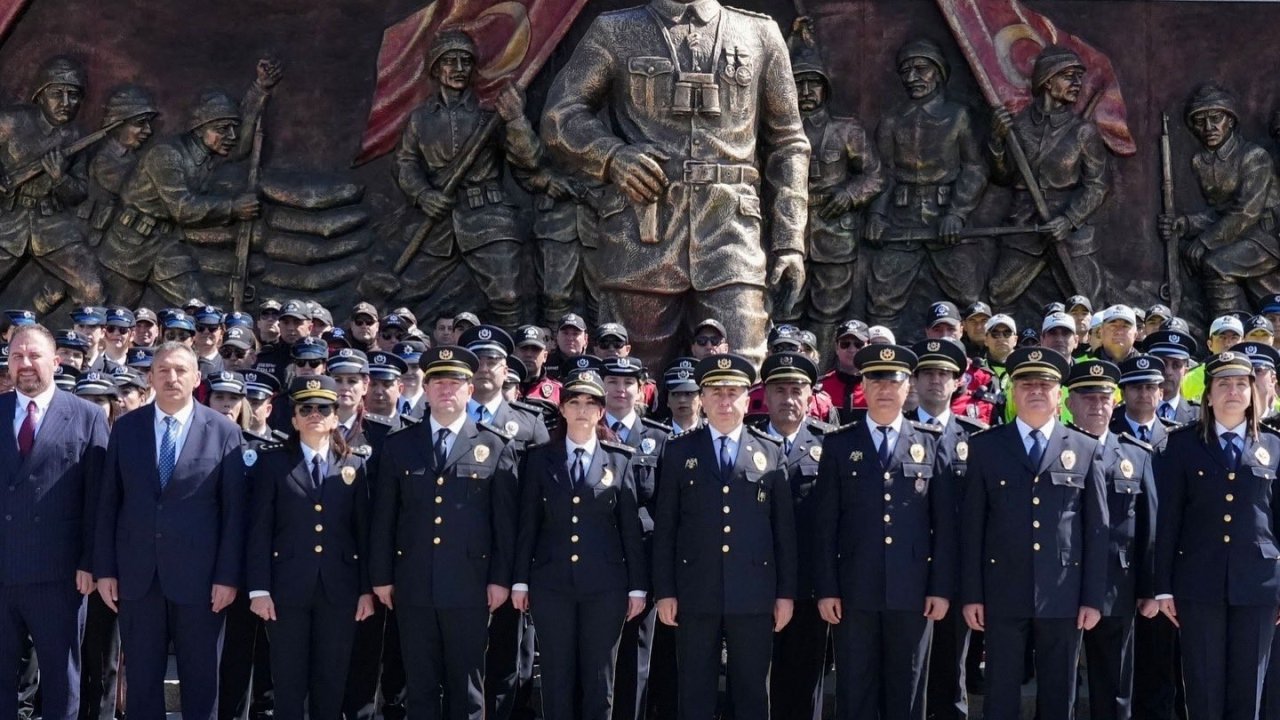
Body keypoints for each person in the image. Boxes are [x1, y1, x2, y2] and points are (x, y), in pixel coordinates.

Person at [542, 0, 810, 368]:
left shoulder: (759, 33)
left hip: (731, 236)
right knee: (627, 374)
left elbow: (788, 144)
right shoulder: (615, 30)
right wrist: (612, 156)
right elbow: (560, 116)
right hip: (642, 233)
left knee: (741, 370)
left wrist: (789, 242)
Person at [94, 341, 247, 720]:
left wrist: (228, 576)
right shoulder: (127, 428)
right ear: (150, 377)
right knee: (143, 683)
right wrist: (105, 569)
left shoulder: (223, 431)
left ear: (197, 378)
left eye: (180, 370)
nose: (171, 377)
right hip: (137, 578)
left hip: (202, 584)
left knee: (201, 684)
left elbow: (234, 514)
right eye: (162, 370)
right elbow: (109, 504)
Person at [369, 345, 519, 720]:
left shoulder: (494, 445)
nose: (446, 389)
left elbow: (504, 524)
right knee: (420, 687)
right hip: (413, 584)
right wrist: (382, 576)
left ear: (470, 390)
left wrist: (501, 579)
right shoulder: (399, 445)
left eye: (456, 382)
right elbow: (385, 518)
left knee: (467, 689)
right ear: (425, 387)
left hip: (470, 586)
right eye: (438, 382)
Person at [960, 346, 1109, 720]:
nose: (1037, 391)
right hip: (1002, 589)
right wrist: (973, 594)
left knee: (1060, 695)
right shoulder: (986, 447)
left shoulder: (1085, 448)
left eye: (1046, 384)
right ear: (1013, 390)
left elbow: (1096, 528)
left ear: (1059, 393)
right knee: (1000, 693)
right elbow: (973, 528)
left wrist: (1092, 597)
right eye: (1027, 383)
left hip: (1063, 591)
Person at [814, 344, 955, 720]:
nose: (885, 388)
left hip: (913, 593)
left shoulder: (930, 442)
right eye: (875, 379)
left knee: (907, 693)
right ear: (863, 384)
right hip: (855, 591)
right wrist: (827, 588)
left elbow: (943, 526)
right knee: (855, 691)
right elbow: (826, 525)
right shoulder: (839, 444)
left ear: (908, 385)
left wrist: (940, 588)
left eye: (893, 380)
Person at [653, 353, 797, 720]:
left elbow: (783, 532)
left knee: (751, 692)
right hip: (695, 591)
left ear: (748, 399)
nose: (724, 401)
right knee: (695, 691)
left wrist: (785, 594)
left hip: (754, 593)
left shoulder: (769, 451)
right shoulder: (679, 450)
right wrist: (666, 591)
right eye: (716, 392)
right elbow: (666, 527)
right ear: (701, 398)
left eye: (733, 392)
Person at [511, 369, 647, 720]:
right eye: (575, 402)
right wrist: (521, 580)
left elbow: (629, 530)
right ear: (563, 409)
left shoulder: (619, 460)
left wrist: (637, 588)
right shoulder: (541, 458)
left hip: (605, 587)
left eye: (591, 403)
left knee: (600, 679)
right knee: (556, 676)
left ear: (602, 411)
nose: (583, 409)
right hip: (551, 584)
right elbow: (529, 524)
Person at [1154, 350, 1280, 720]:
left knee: (1248, 689)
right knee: (1204, 686)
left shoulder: (1274, 446)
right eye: (1223, 383)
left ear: (1253, 393)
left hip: (1259, 585)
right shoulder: (1181, 446)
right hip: (1198, 583)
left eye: (1242, 383)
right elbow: (1168, 522)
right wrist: (1163, 586)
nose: (1233, 391)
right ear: (1208, 394)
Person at [98, 59, 281, 306]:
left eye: (233, 128)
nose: (231, 136)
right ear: (200, 128)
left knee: (199, 309)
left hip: (164, 246)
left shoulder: (208, 154)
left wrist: (259, 89)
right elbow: (182, 208)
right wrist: (233, 207)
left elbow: (241, 147)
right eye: (222, 129)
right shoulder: (166, 155)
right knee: (113, 318)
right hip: (128, 246)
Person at [247, 375, 376, 720]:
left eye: (323, 408)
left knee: (331, 682)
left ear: (336, 417)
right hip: (285, 590)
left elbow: (363, 534)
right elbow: (259, 530)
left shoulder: (355, 464)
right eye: (306, 408)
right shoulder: (271, 463)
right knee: (288, 683)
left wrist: (366, 590)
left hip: (340, 589)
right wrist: (259, 588)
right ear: (293, 418)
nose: (314, 414)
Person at [392, 29, 538, 329]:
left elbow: (529, 160)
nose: (459, 69)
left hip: (489, 217)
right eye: (450, 61)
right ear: (435, 68)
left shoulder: (489, 116)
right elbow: (405, 163)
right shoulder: (420, 119)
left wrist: (516, 120)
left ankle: (512, 364)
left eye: (465, 62)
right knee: (407, 295)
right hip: (440, 223)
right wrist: (422, 195)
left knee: (508, 297)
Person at [0, 325, 108, 720]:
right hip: (1, 573)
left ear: (56, 361)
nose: (25, 364)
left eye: (34, 356)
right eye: (16, 357)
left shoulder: (87, 416)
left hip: (60, 576)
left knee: (62, 681)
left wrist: (91, 561)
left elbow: (99, 498)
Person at [864, 39, 986, 326]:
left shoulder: (958, 116)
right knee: (881, 299)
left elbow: (975, 168)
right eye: (905, 71)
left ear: (939, 73)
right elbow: (885, 173)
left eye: (921, 69)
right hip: (901, 222)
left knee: (970, 298)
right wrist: (877, 215)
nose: (911, 77)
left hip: (946, 220)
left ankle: (978, 365)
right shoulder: (891, 121)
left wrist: (957, 213)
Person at [1064, 359, 1158, 720]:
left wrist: (1150, 588)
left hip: (1117, 584)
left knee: (1115, 685)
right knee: (1061, 685)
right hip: (1062, 582)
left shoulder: (1135, 455)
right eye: (1086, 396)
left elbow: (1149, 528)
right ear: (1069, 402)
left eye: (1104, 397)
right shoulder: (1051, 448)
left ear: (1115, 401)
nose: (1096, 404)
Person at [987, 46, 1109, 306]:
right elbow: (1003, 177)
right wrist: (997, 143)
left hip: (1069, 228)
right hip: (1025, 223)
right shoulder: (1017, 126)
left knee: (1088, 301)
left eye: (1079, 76)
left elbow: (1097, 186)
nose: (1077, 83)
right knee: (998, 293)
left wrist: (1069, 220)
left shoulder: (1083, 132)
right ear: (1047, 80)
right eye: (1069, 76)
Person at [908, 337, 987, 720]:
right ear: (915, 381)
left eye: (945, 374)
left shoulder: (976, 438)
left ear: (958, 382)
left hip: (955, 571)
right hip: (907, 570)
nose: (936, 381)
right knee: (908, 672)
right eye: (928, 373)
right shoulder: (898, 432)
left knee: (952, 671)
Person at [754, 351, 832, 720]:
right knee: (756, 683)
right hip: (756, 585)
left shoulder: (830, 445)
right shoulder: (748, 443)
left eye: (796, 389)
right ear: (765, 396)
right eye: (779, 390)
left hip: (808, 585)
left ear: (810, 396)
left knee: (805, 685)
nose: (788, 398)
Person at [1160, 84, 1280, 317]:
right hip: (1242, 235)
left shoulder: (1254, 156)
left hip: (1269, 236)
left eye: (1215, 118)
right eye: (1199, 121)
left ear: (1231, 121)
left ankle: (1228, 332)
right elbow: (1220, 211)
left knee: (1216, 264)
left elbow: (1246, 212)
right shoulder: (1201, 162)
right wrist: (1185, 223)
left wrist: (1206, 241)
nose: (1208, 128)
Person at [0, 57, 104, 310]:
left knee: (92, 289)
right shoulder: (9, 122)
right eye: (58, 94)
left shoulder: (77, 136)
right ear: (40, 95)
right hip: (7, 221)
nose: (66, 103)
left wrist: (60, 178)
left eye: (74, 95)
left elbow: (79, 192)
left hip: (51, 225)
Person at [598, 355, 670, 720]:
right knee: (595, 660)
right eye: (612, 382)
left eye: (628, 383)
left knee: (638, 660)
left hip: (641, 562)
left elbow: (666, 511)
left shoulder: (660, 439)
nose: (620, 390)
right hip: (596, 562)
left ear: (641, 390)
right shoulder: (585, 430)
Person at [1143, 329, 1201, 425]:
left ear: (1185, 372)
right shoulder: (1131, 411)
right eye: (1163, 363)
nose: (1168, 371)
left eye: (1176, 365)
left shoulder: (1200, 416)